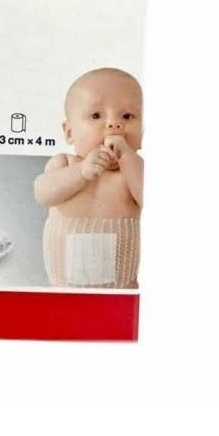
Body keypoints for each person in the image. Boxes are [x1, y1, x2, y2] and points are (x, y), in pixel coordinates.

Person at [33, 68, 143, 288]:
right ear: (69, 132)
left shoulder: (132, 172)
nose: (114, 125)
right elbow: (42, 194)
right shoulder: (65, 163)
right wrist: (81, 172)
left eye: (127, 116)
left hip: (120, 287)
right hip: (65, 285)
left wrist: (128, 158)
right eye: (96, 116)